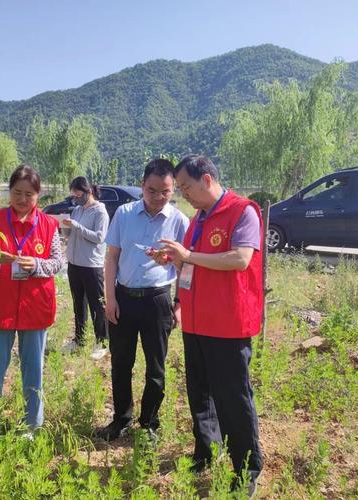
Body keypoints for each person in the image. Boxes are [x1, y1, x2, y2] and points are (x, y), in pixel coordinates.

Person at [156, 154, 264, 495]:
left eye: (186, 186)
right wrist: (174, 259)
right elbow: (191, 266)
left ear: (206, 180)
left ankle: (246, 467)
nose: (183, 194)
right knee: (199, 392)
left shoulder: (242, 211)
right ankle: (206, 449)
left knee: (233, 397)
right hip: (196, 320)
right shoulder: (198, 219)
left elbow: (240, 258)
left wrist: (188, 256)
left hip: (229, 323)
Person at [95, 159, 189, 442]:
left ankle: (149, 422)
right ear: (141, 186)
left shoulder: (179, 221)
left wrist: (179, 303)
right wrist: (110, 298)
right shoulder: (124, 214)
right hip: (124, 297)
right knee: (121, 364)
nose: (159, 197)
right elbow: (111, 257)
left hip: (157, 301)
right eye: (152, 190)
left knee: (156, 367)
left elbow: (185, 268)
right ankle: (121, 418)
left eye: (166, 191)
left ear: (173, 189)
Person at [0, 164, 64, 431]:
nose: (22, 199)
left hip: (35, 307)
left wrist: (35, 265)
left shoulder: (49, 225)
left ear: (38, 196)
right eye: (17, 192)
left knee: (33, 370)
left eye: (29, 194)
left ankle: (31, 426)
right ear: (9, 191)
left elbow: (57, 262)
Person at [61, 176, 110, 359]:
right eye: (73, 194)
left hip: (91, 265)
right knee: (78, 303)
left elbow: (99, 237)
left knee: (97, 305)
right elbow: (71, 234)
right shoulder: (78, 210)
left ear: (88, 191)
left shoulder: (100, 212)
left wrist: (77, 226)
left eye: (78, 193)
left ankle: (102, 342)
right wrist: (65, 228)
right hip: (74, 264)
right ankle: (78, 340)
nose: (75, 197)